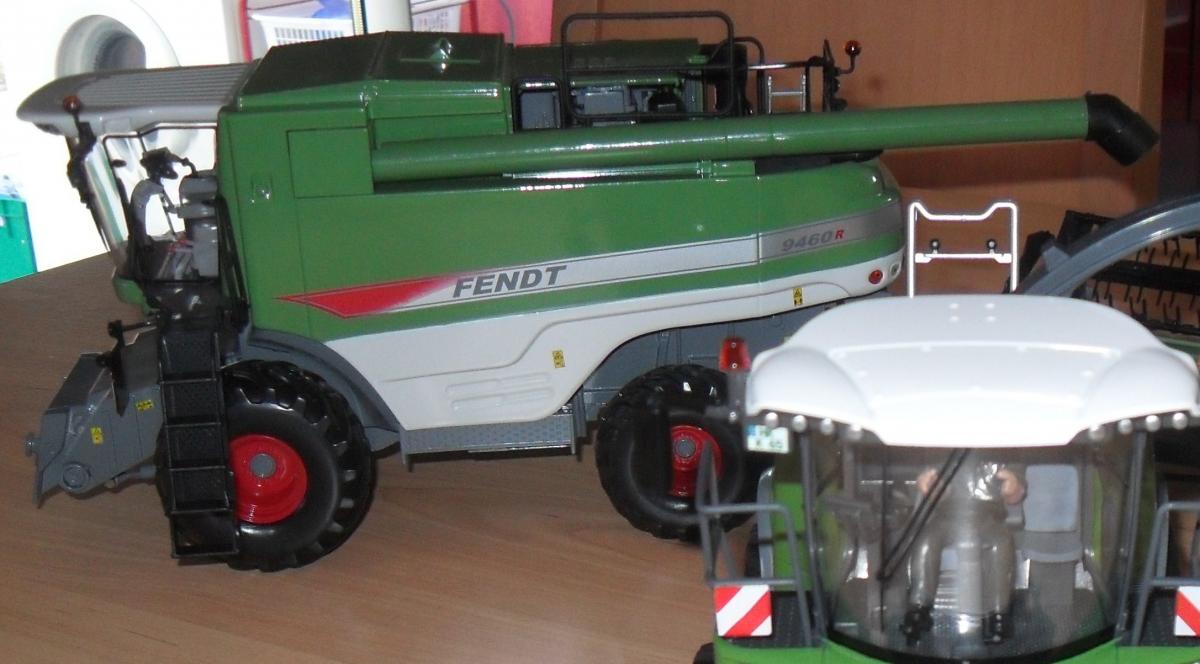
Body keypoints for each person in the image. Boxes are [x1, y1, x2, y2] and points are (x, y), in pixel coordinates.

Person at [900, 455, 1025, 644]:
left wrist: (1013, 486)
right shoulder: (944, 453)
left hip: (988, 516)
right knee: (926, 541)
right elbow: (933, 486)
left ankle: (998, 614)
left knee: (1001, 543)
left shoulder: (1004, 452)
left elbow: (1016, 490)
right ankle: (919, 609)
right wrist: (931, 487)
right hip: (948, 515)